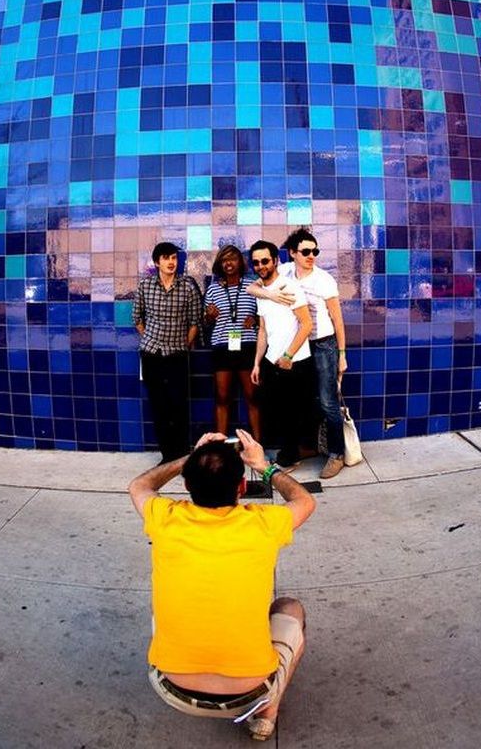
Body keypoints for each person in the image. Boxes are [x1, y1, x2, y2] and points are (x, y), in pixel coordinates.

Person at [128, 428, 315, 741]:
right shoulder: (264, 523)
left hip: (170, 687)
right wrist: (263, 465)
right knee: (289, 608)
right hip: (249, 691)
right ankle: (267, 712)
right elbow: (304, 500)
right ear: (241, 487)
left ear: (187, 484)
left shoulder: (164, 518)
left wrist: (193, 457)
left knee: (164, 611)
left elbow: (139, 485)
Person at [279, 229, 348, 480]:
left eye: (315, 251)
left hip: (322, 345)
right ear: (293, 253)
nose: (311, 256)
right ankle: (309, 447)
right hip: (296, 345)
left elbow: (338, 321)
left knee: (327, 401)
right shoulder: (285, 272)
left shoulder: (324, 280)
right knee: (303, 400)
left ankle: (336, 454)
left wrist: (341, 354)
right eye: (306, 251)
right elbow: (260, 286)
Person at [248, 240, 317, 469]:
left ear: (276, 260)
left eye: (265, 260)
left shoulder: (290, 287)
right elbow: (263, 330)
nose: (261, 266)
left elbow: (306, 324)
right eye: (256, 262)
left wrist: (288, 355)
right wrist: (257, 363)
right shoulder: (262, 293)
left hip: (294, 361)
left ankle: (291, 458)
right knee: (277, 411)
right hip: (272, 360)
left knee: (293, 413)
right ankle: (289, 454)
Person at [132, 242, 203, 462]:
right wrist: (150, 339)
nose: (171, 262)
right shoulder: (145, 285)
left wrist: (183, 344)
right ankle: (167, 454)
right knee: (159, 405)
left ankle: (181, 453)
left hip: (177, 355)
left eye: (173, 257)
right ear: (157, 262)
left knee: (179, 405)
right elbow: (137, 318)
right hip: (152, 354)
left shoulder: (188, 286)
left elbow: (195, 322)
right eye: (166, 258)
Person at [204, 244, 261, 439]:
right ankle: (220, 446)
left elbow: (265, 316)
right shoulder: (213, 289)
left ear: (240, 262)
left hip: (247, 346)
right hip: (222, 347)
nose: (228, 263)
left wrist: (256, 320)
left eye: (232, 258)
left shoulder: (253, 286)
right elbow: (208, 322)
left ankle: (258, 446)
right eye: (224, 259)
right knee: (222, 398)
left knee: (252, 397)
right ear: (220, 264)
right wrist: (209, 316)